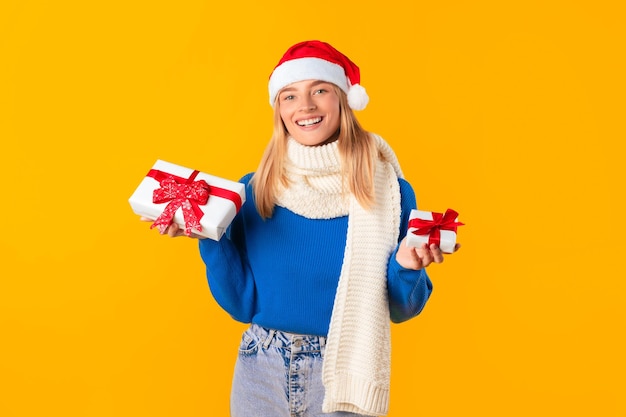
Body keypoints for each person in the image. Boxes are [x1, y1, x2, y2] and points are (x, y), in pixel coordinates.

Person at [145, 40, 460, 417]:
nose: (305, 107)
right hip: (259, 367)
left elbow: (401, 310)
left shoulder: (388, 191)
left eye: (320, 91)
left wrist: (408, 267)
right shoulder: (254, 189)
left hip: (344, 371)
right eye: (289, 96)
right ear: (279, 110)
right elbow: (241, 304)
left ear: (344, 99)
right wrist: (209, 238)